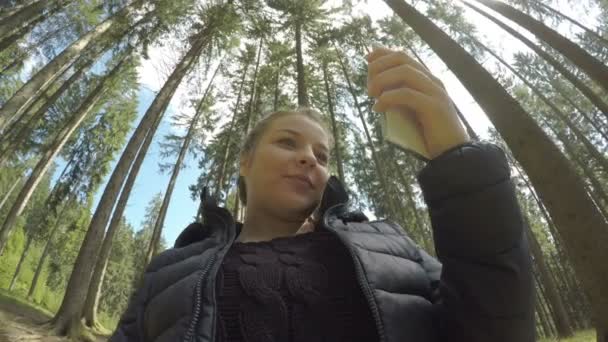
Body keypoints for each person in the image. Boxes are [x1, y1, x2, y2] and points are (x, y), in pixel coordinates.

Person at [110, 47, 534, 342]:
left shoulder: (390, 246)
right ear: (245, 160)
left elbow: (494, 326)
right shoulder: (172, 269)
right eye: (288, 143)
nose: (309, 159)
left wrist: (458, 160)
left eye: (321, 154)